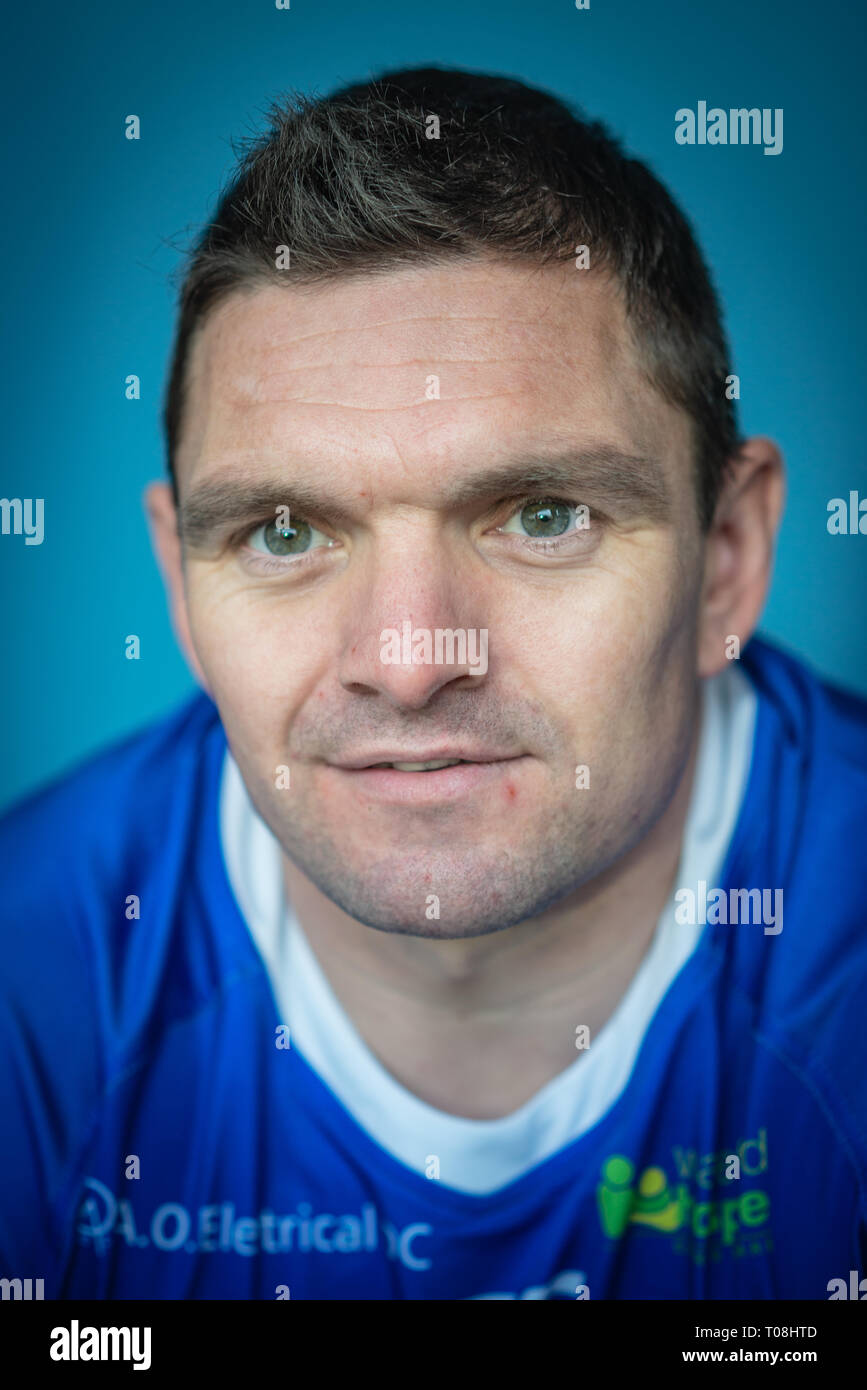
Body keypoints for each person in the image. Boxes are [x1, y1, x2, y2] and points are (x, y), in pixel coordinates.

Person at [2, 67, 865, 1301]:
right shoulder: (28, 987)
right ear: (183, 592)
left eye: (543, 514)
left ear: (726, 563)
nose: (409, 666)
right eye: (287, 531)